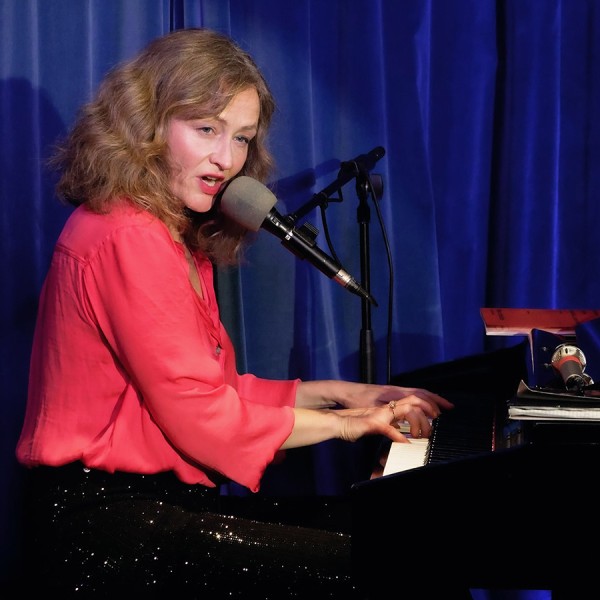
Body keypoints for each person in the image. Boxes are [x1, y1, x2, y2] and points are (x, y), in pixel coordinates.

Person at [14, 27, 453, 598]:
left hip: (149, 508)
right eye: (206, 129)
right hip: (109, 524)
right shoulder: (128, 235)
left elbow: (211, 390)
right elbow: (201, 416)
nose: (226, 159)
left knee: (401, 538)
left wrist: (348, 394)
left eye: (242, 138)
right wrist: (349, 425)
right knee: (397, 561)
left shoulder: (164, 232)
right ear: (147, 124)